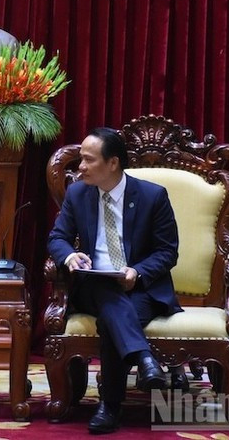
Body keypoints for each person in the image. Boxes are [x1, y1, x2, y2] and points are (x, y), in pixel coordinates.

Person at [47, 127, 184, 434]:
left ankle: (110, 407)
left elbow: (167, 252)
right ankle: (144, 359)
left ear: (113, 163)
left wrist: (139, 272)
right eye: (80, 158)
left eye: (88, 159)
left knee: (113, 318)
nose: (80, 166)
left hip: (139, 289)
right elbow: (58, 238)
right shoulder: (77, 193)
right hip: (93, 285)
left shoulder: (152, 196)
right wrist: (70, 256)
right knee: (105, 291)